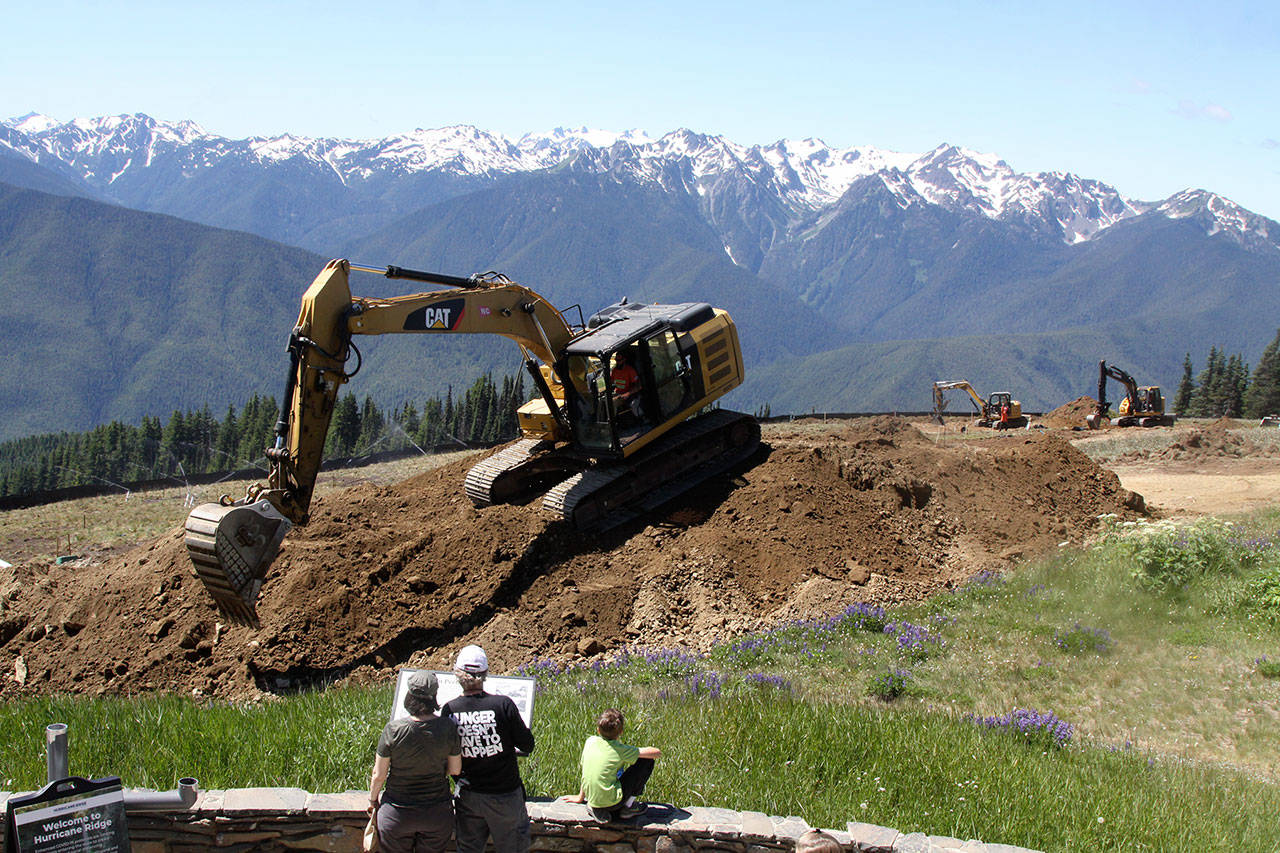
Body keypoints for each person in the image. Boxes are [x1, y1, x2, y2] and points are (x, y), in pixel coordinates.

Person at [440, 645, 535, 853]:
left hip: (468, 795)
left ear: (458, 674)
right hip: (505, 795)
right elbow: (527, 744)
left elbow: (445, 754)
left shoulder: (449, 710)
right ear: (484, 674)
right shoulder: (504, 705)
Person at [369, 670, 461, 853]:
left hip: (396, 814)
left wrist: (372, 800)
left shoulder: (393, 730)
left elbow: (378, 775)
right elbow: (455, 770)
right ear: (434, 696)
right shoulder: (448, 727)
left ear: (409, 695)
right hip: (437, 813)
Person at [560, 707, 660, 822]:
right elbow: (656, 753)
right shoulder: (620, 750)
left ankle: (594, 806)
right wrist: (636, 751)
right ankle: (627, 807)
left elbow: (587, 772)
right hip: (612, 804)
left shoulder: (590, 741)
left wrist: (580, 797)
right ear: (621, 732)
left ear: (598, 729)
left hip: (591, 799)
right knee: (647, 761)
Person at [610, 351, 644, 421]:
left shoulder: (630, 370)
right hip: (618, 394)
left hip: (629, 394)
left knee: (634, 404)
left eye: (619, 360)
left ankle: (642, 419)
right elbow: (610, 382)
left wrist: (627, 394)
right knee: (605, 403)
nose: (617, 362)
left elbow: (639, 386)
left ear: (624, 360)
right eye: (616, 360)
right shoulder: (614, 371)